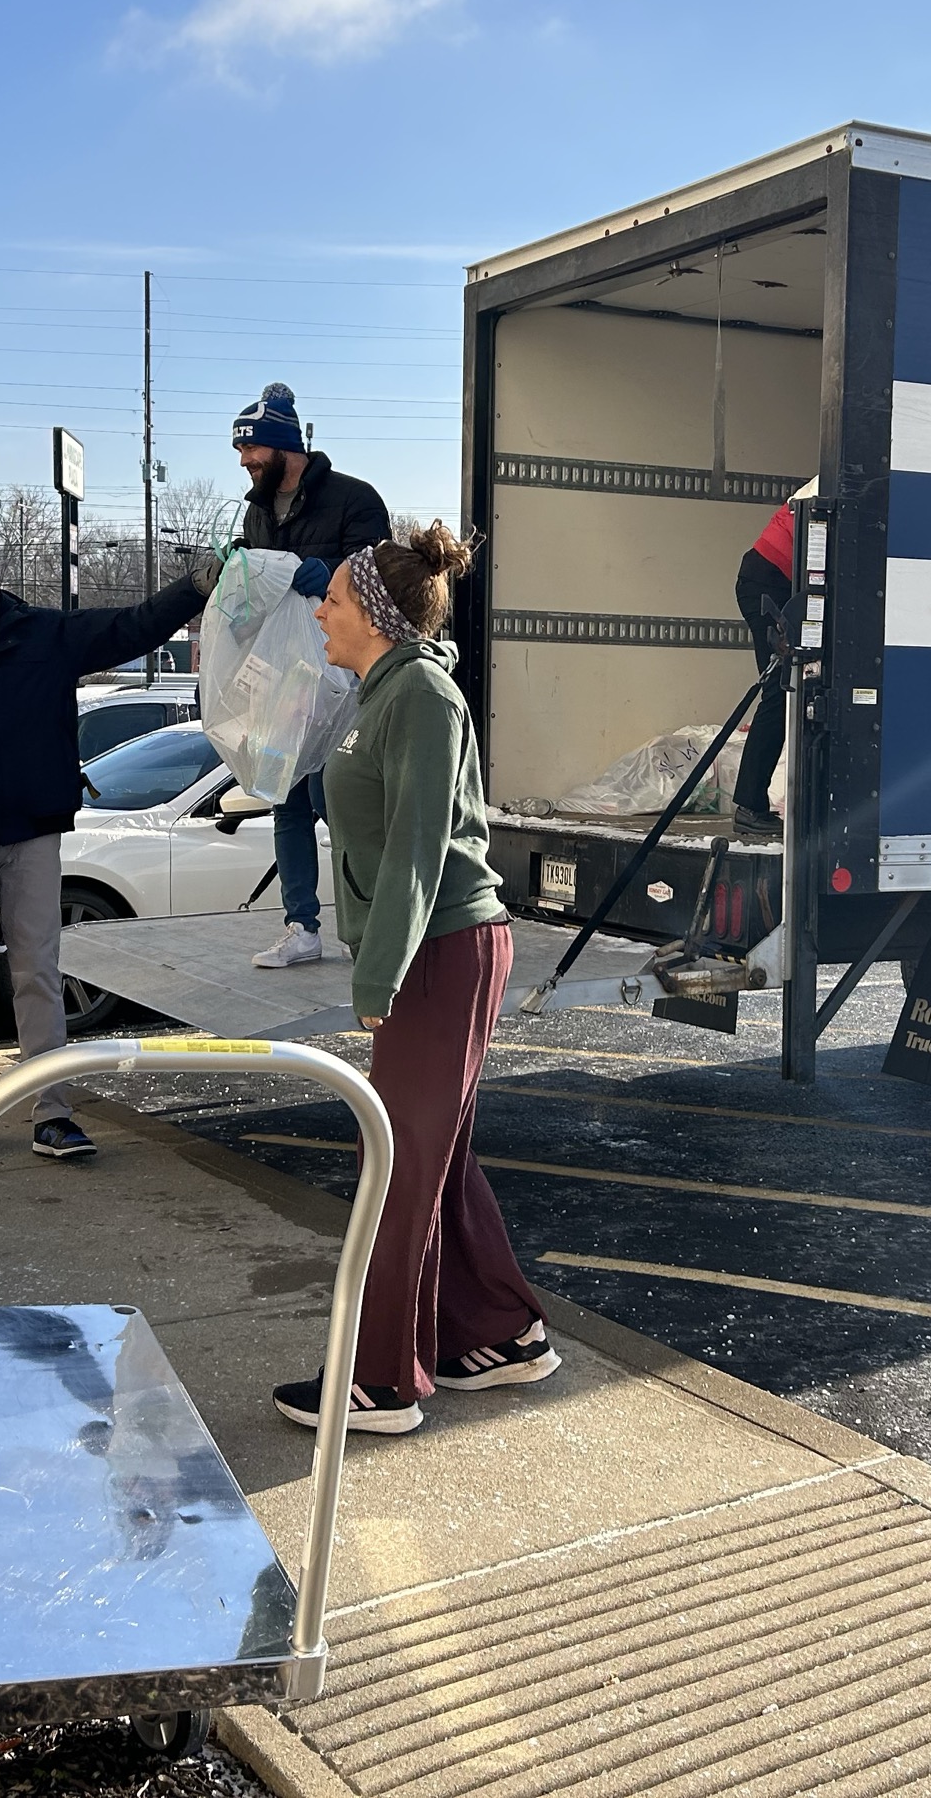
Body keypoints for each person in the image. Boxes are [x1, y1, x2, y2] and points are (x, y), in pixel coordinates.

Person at [269, 526, 556, 1436]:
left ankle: (380, 1380)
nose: (322, 612)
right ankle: (501, 1335)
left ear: (379, 618)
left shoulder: (423, 696)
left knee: (393, 1167)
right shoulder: (382, 691)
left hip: (442, 949)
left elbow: (419, 852)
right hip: (433, 950)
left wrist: (378, 975)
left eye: (338, 602)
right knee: (437, 1158)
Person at [0, 529, 215, 1159]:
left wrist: (194, 588)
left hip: (34, 829)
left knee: (38, 971)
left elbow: (132, 627)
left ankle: (53, 1112)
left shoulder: (41, 634)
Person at [230, 381, 391, 972]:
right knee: (287, 803)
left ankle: (372, 921)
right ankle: (301, 926)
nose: (245, 464)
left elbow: (380, 584)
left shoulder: (354, 499)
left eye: (252, 452)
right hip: (283, 684)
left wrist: (330, 577)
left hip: (342, 681)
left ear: (284, 448)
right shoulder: (256, 511)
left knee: (341, 804)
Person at [729, 477, 817, 838]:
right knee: (780, 695)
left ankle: (760, 804)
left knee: (793, 693)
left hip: (772, 580)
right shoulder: (840, 479)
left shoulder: (832, 476)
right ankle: (750, 806)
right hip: (768, 582)